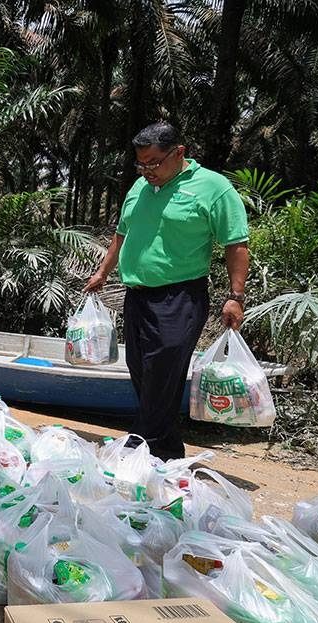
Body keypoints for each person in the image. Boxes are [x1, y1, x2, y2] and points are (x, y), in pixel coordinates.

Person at [84, 122, 249, 461]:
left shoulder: (213, 188)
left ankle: (140, 446)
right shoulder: (140, 188)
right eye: (141, 164)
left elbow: (236, 243)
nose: (147, 171)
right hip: (137, 296)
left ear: (179, 153)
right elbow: (122, 234)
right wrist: (103, 271)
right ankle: (167, 450)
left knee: (163, 371)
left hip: (181, 297)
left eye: (154, 162)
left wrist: (236, 296)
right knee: (142, 371)